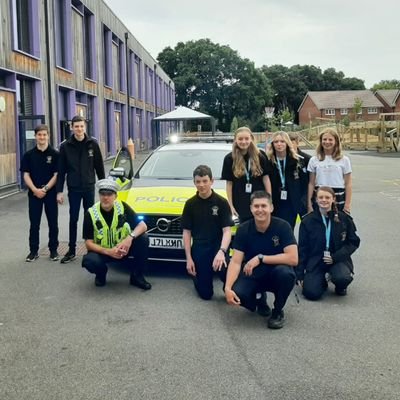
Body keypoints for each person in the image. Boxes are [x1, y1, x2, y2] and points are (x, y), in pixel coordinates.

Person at [224, 191, 298, 329]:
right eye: (256, 206)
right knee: (237, 292)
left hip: (277, 271)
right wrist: (227, 288)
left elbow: (293, 258)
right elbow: (235, 261)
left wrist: (261, 258)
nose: (260, 210)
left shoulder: (283, 226)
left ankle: (277, 311)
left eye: (264, 206)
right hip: (254, 273)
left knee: (286, 275)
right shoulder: (243, 229)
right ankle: (259, 299)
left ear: (271, 207)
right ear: (251, 208)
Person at [81, 179, 151, 289]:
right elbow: (88, 243)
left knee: (143, 238)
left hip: (123, 250)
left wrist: (129, 239)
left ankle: (137, 276)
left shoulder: (122, 207)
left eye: (109, 194)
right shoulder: (91, 213)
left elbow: (143, 226)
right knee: (89, 260)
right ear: (99, 195)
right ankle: (101, 275)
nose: (105, 197)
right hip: (103, 252)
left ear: (115, 196)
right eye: (103, 194)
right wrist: (108, 251)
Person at [57, 115, 105, 263]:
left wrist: (103, 187)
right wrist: (59, 191)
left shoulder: (93, 144)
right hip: (74, 188)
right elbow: (61, 170)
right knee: (73, 218)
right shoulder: (65, 146)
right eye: (76, 126)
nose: (79, 129)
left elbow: (99, 166)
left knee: (90, 218)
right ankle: (71, 250)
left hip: (89, 187)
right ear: (72, 127)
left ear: (85, 127)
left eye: (81, 126)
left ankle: (91, 249)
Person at [297, 186, 360, 300]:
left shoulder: (343, 219)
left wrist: (335, 257)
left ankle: (340, 285)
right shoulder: (307, 221)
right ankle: (322, 281)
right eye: (320, 197)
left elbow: (353, 242)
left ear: (333, 199)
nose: (324, 200)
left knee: (342, 278)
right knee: (311, 293)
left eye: (327, 197)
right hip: (316, 260)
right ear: (316, 199)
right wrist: (300, 274)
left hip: (337, 259)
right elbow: (302, 248)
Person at [181, 165, 233, 300]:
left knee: (229, 277)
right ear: (194, 182)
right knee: (206, 295)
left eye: (205, 181)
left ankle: (226, 282)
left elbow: (227, 231)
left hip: (217, 247)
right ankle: (199, 276)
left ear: (212, 181)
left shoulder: (221, 202)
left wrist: (222, 252)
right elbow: (186, 232)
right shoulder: (190, 204)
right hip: (200, 247)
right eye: (198, 182)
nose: (201, 185)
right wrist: (189, 259)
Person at [20, 124, 60, 262]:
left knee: (53, 223)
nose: (42, 137)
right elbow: (26, 175)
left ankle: (53, 250)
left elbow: (57, 175)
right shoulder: (28, 155)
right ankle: (33, 251)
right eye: (39, 135)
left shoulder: (55, 154)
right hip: (34, 194)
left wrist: (45, 189)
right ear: (35, 136)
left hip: (50, 194)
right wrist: (35, 190)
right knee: (34, 224)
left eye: (44, 134)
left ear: (48, 136)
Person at [221, 126, 271, 223]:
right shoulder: (229, 158)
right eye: (240, 139)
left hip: (259, 200)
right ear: (235, 140)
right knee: (244, 230)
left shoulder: (260, 155)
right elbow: (229, 184)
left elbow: (266, 179)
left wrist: (269, 199)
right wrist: (230, 205)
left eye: (246, 138)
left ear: (251, 139)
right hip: (240, 202)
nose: (243, 142)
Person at [267, 131, 308, 228]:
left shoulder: (297, 161)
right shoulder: (268, 161)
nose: (279, 144)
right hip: (275, 203)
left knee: (288, 229)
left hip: (292, 203)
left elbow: (305, 183)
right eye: (276, 142)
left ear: (287, 143)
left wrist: (303, 201)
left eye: (282, 141)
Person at [307, 128, 352, 213]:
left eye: (330, 139)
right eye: (324, 139)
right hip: (320, 194)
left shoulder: (344, 160)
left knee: (338, 223)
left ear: (336, 142)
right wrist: (309, 203)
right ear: (320, 141)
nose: (327, 142)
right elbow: (311, 183)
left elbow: (348, 183)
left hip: (338, 194)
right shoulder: (314, 160)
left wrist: (347, 204)